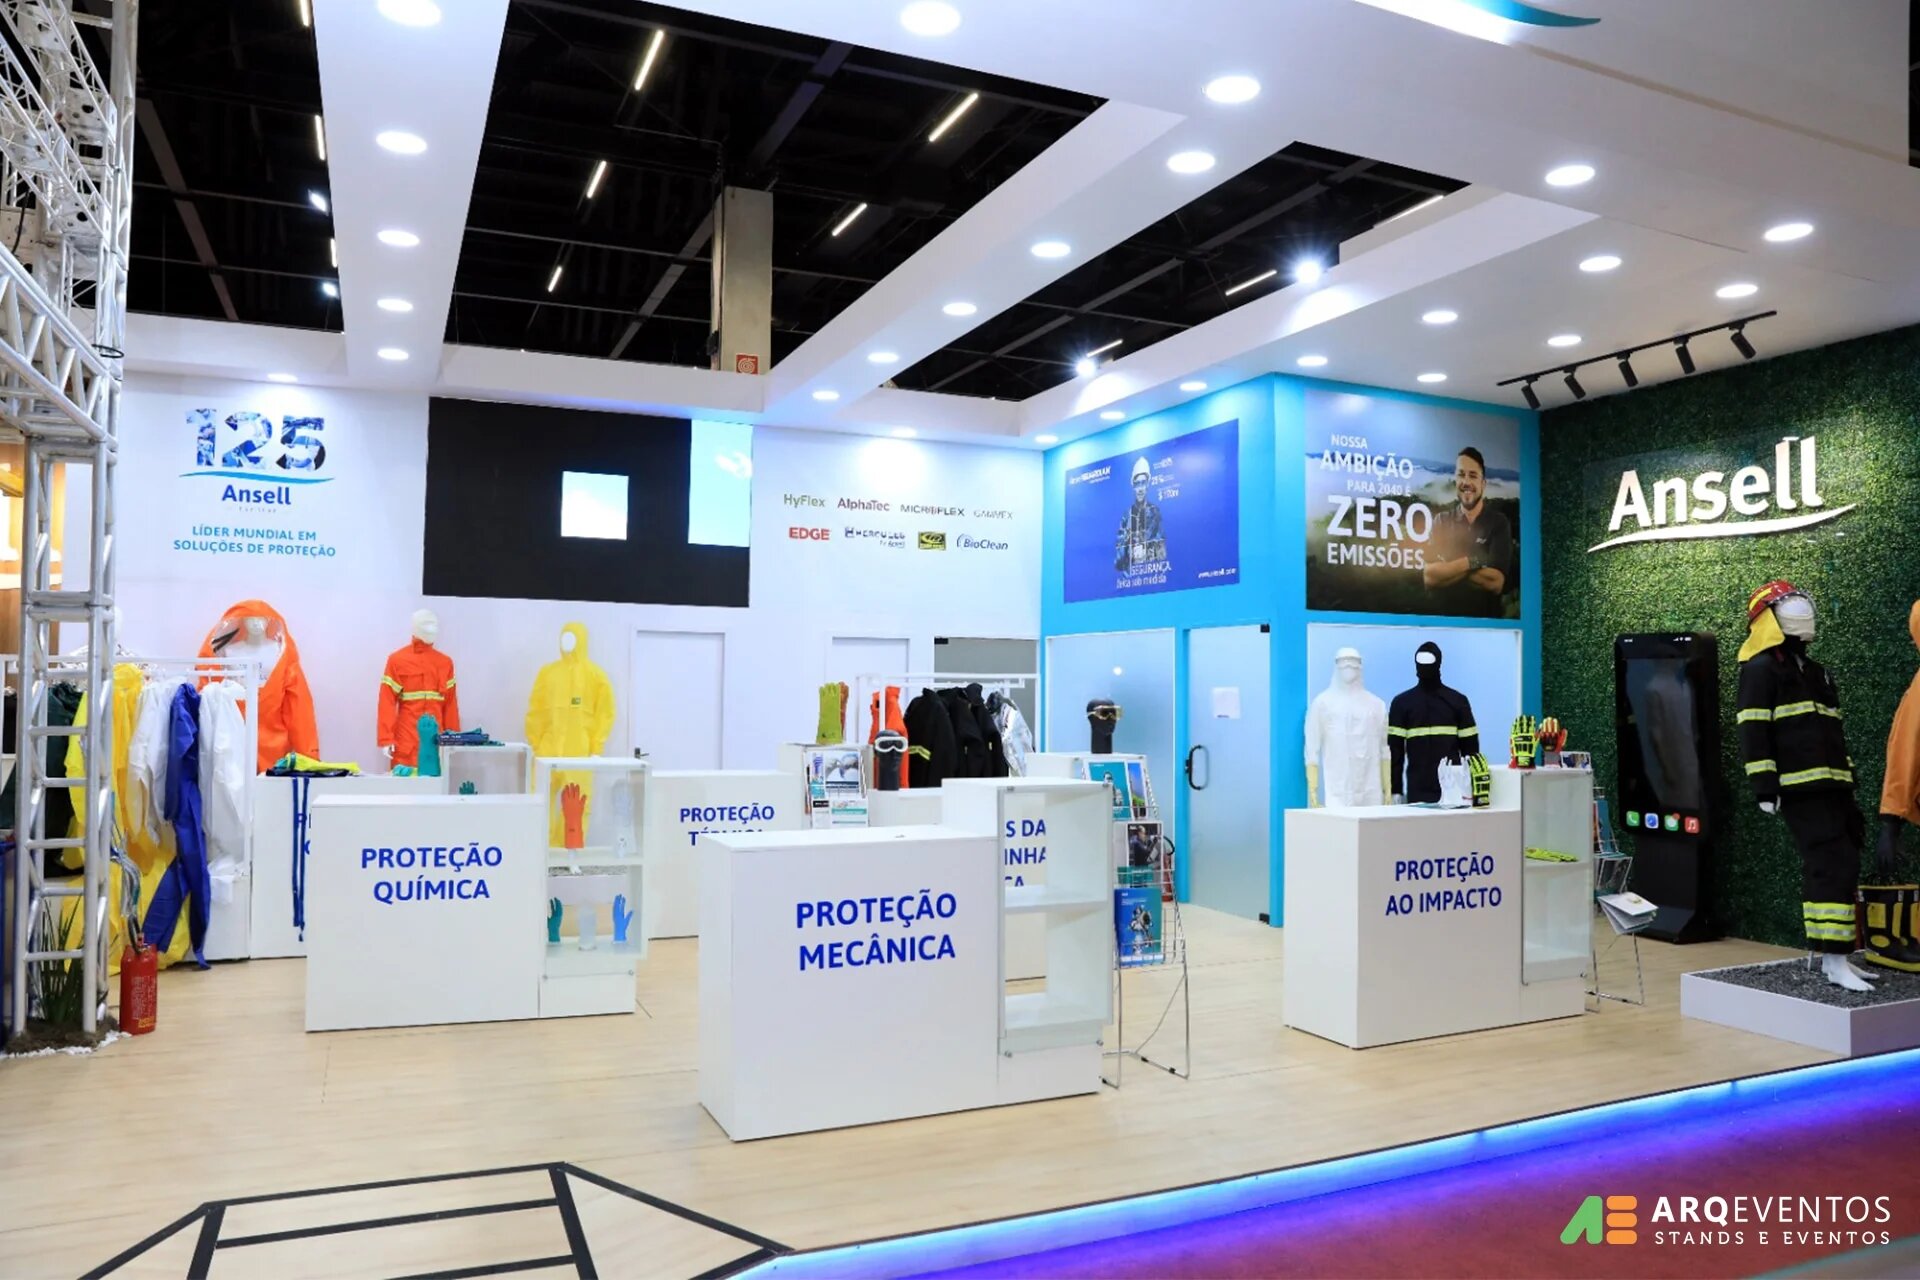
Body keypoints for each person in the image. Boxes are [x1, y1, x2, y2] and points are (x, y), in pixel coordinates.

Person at [1422, 446, 1512, 617]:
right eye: (1461, 475)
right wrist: (1473, 561)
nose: (1466, 482)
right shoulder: (1441, 521)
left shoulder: (1499, 523)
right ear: (1455, 480)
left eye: (1473, 475)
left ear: (1483, 484)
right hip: (1446, 622)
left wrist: (1449, 567)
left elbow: (1495, 582)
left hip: (1487, 624)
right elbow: (1430, 577)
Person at [1113, 456, 1165, 571]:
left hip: (1150, 573)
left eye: (1143, 483)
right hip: (1129, 576)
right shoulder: (1126, 516)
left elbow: (1161, 552)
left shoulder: (1155, 513)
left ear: (1147, 485)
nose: (1140, 488)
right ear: (1133, 486)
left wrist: (1141, 548)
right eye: (1137, 484)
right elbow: (1117, 561)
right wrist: (1127, 542)